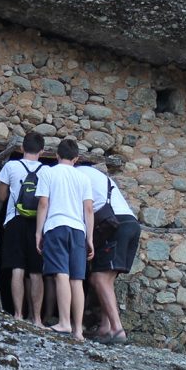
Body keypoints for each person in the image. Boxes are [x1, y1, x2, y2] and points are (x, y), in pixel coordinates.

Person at [35, 138, 94, 341]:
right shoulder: (83, 178)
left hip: (56, 226)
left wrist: (38, 232)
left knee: (61, 274)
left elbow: (43, 203)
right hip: (78, 230)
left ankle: (64, 322)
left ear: (57, 155)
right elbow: (88, 209)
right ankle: (78, 331)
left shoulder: (47, 172)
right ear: (76, 158)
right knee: (77, 279)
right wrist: (90, 238)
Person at [77, 159, 141, 344]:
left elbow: (86, 208)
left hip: (114, 225)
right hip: (131, 224)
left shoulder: (77, 175)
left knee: (98, 278)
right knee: (107, 279)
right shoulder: (100, 177)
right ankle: (105, 327)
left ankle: (117, 329)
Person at [0, 132, 46, 326]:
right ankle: (38, 319)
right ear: (42, 151)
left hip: (15, 220)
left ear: (22, 148)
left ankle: (17, 314)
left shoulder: (11, 166)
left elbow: (1, 197)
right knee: (36, 271)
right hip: (38, 223)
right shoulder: (46, 171)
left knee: (17, 267)